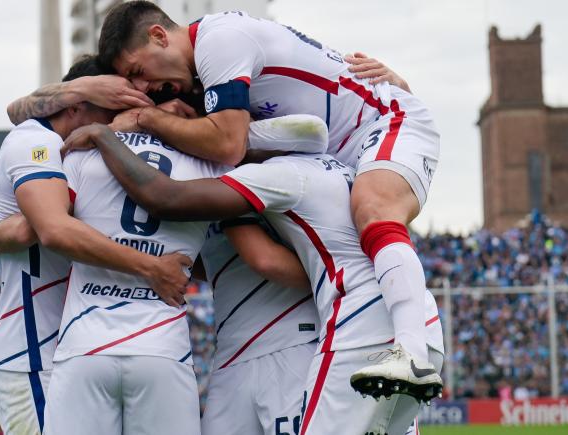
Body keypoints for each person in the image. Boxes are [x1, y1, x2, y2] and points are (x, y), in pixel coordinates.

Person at [83, 1, 439, 396]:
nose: (145, 88)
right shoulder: (203, 70)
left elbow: (228, 143)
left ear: (159, 35)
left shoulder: (218, 42)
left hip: (383, 120)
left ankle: (413, 353)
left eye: (138, 72)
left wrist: (146, 119)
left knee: (372, 208)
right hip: (340, 149)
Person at [63, 121, 445, 434]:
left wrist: (104, 134)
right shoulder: (348, 170)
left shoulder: (263, 177)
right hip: (259, 347)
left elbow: (256, 254)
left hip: (290, 343)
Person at [0, 55, 194, 435]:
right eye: (115, 109)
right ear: (79, 106)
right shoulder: (37, 141)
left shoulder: (82, 155)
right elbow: (51, 229)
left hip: (74, 348)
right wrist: (152, 267)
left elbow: (12, 230)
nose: (121, 122)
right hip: (33, 352)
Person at [198, 216, 319, 435]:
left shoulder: (209, 188)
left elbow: (264, 259)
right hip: (232, 354)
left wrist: (338, 278)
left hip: (292, 343)